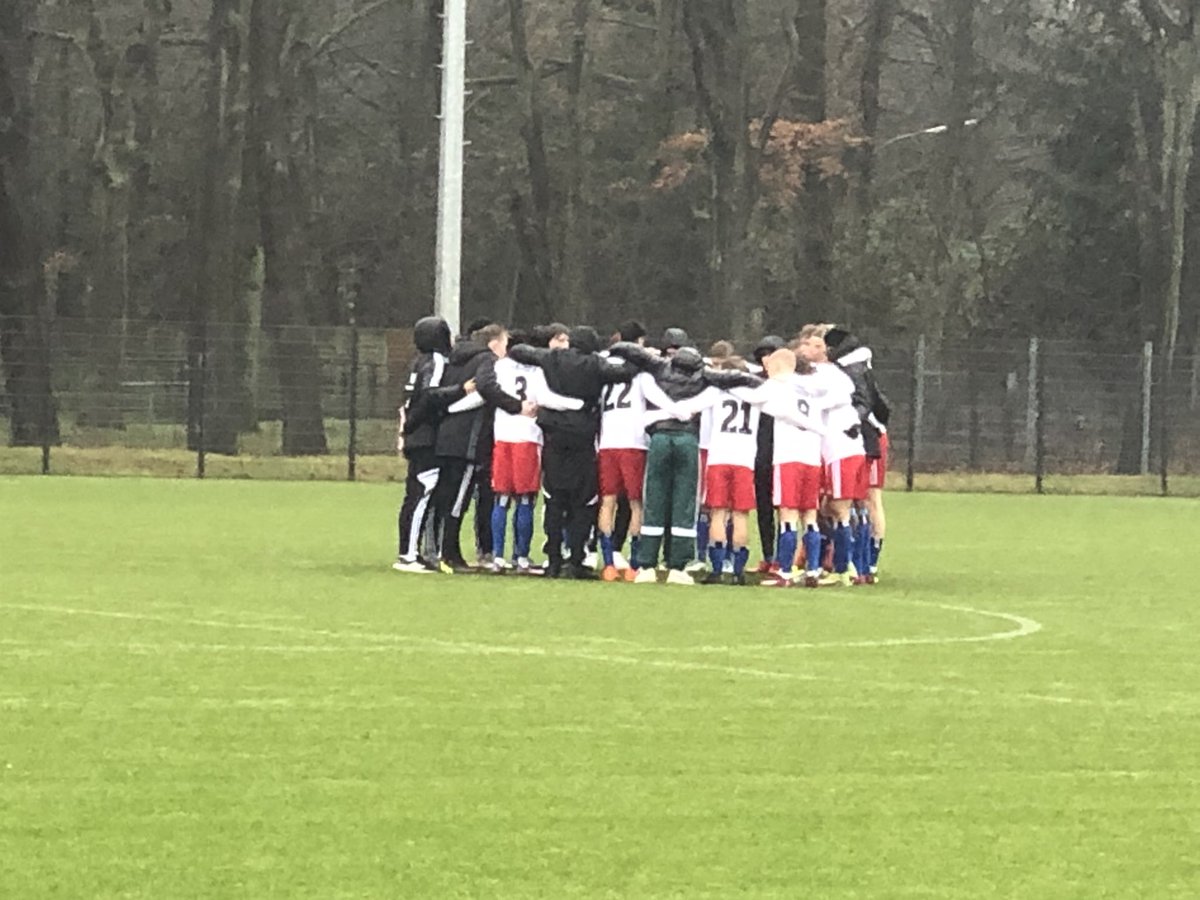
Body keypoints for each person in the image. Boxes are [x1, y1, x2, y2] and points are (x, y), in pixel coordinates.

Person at [606, 341, 760, 584]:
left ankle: (647, 564)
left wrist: (611, 350)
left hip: (659, 438)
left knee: (654, 499)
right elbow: (736, 380)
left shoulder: (656, 371)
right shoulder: (706, 379)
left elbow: (630, 350)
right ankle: (678, 566)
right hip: (687, 439)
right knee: (684, 503)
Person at [509, 325, 637, 579]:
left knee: (554, 498)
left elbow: (519, 351)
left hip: (553, 434)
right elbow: (625, 373)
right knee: (583, 500)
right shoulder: (594, 365)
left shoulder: (551, 358)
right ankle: (576, 558)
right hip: (582, 435)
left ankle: (554, 558)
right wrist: (632, 352)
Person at [432, 324, 533, 573]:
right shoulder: (487, 360)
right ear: (493, 343)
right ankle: (449, 554)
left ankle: (443, 551)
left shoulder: (456, 358)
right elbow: (485, 389)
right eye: (504, 342)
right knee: (458, 500)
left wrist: (447, 411)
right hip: (467, 440)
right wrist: (516, 406)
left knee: (450, 496)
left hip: (448, 435)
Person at [394, 316, 474, 573]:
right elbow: (429, 396)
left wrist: (405, 429)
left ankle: (413, 551)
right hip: (426, 436)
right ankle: (408, 556)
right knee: (421, 494)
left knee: (415, 495)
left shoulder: (416, 362)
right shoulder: (436, 361)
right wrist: (462, 390)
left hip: (415, 434)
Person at [795, 323, 869, 587]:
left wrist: (810, 407)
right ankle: (851, 566)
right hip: (843, 449)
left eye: (814, 345)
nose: (806, 349)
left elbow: (842, 394)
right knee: (833, 508)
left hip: (840, 450)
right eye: (804, 344)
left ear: (823, 350)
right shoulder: (823, 374)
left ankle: (844, 567)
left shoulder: (826, 373)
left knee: (839, 508)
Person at [824, 327, 891, 583]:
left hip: (868, 438)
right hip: (860, 438)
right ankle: (858, 563)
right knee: (857, 502)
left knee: (869, 500)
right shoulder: (853, 365)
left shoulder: (853, 369)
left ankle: (867, 563)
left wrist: (853, 422)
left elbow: (868, 403)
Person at [751, 335, 787, 573]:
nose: (766, 359)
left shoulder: (792, 384)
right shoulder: (754, 383)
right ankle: (768, 555)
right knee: (764, 506)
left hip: (786, 452)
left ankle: (787, 558)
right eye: (762, 355)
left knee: (786, 507)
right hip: (761, 452)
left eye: (770, 354)